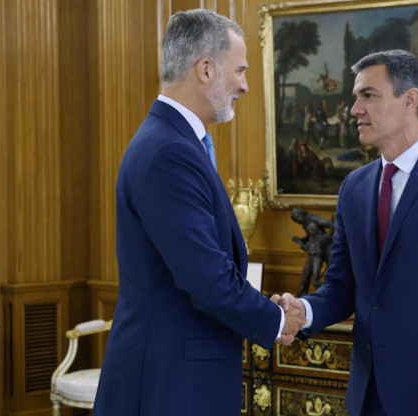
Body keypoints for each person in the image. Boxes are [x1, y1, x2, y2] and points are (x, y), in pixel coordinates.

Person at [92, 10, 305, 415]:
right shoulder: (170, 151)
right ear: (205, 69)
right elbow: (207, 279)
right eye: (239, 70)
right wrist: (277, 321)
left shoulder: (175, 142)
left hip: (177, 378)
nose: (244, 85)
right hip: (167, 385)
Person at [272, 50, 418, 416]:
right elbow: (343, 287)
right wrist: (303, 311)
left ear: (410, 100)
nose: (354, 110)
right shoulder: (354, 186)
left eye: (368, 95)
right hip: (368, 397)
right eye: (355, 98)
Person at [290, 208, 335, 296]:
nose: (298, 220)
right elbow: (311, 236)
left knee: (315, 281)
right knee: (304, 278)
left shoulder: (313, 218)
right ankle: (300, 300)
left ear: (301, 213)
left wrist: (325, 238)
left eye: (297, 217)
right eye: (295, 219)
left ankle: (329, 294)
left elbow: (331, 224)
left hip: (320, 251)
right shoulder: (305, 224)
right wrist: (301, 240)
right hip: (313, 251)